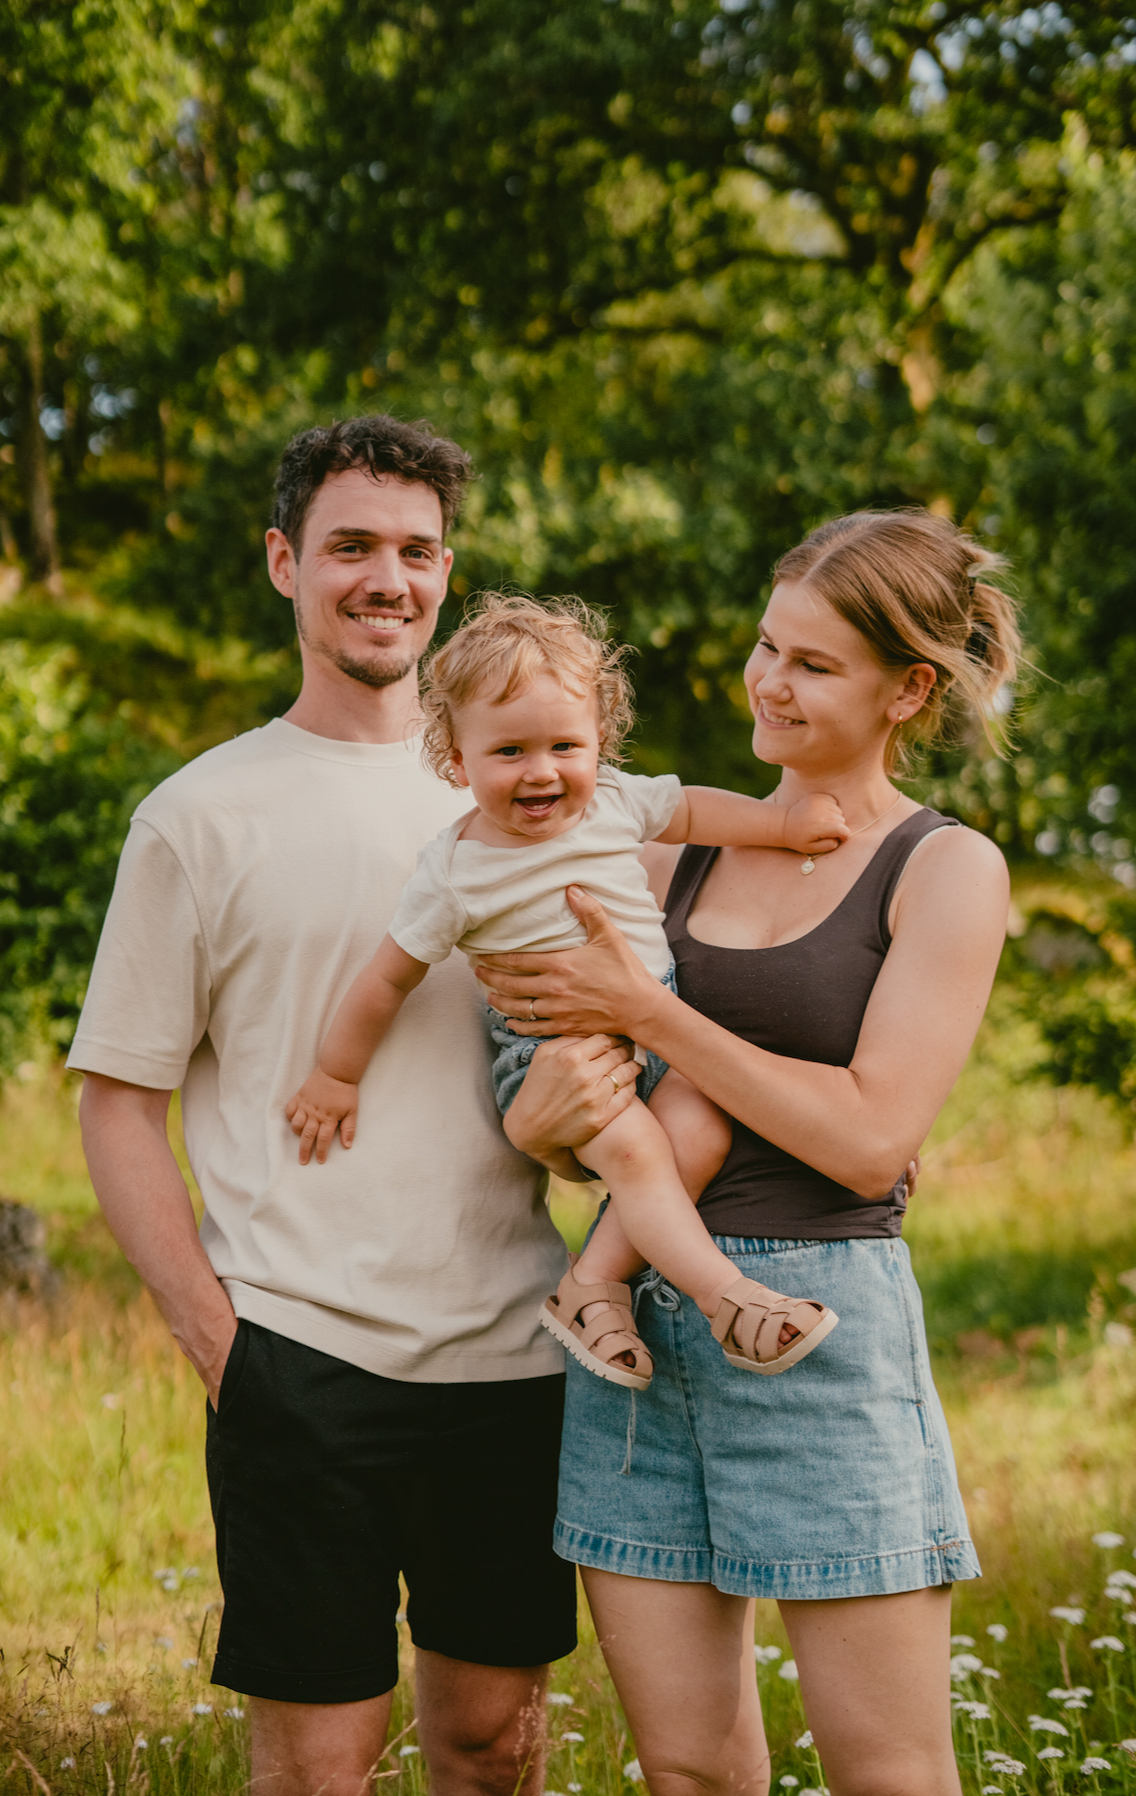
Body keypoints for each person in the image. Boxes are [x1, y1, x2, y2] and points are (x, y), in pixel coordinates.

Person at [66, 414, 626, 1796]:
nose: (389, 578)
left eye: (418, 551)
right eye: (352, 547)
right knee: (317, 1765)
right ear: (284, 562)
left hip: (511, 1356)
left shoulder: (530, 785)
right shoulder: (199, 816)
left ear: (449, 571)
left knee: (492, 1748)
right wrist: (221, 1344)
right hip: (299, 1359)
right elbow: (117, 1105)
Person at [476, 510, 1018, 1796]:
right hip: (624, 1338)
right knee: (689, 1768)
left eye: (814, 663)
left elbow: (870, 1132)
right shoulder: (657, 849)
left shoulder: (940, 868)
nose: (767, 682)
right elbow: (574, 1113)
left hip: (816, 1321)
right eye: (765, 646)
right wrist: (545, 1113)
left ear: (909, 688)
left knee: (885, 1771)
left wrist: (657, 1014)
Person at [285, 592, 847, 1391]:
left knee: (701, 1132)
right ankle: (729, 1301)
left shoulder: (614, 800)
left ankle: (590, 1287)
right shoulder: (455, 874)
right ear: (456, 759)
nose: (542, 771)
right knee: (641, 1152)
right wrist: (336, 1074)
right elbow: (385, 979)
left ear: (599, 742)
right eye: (509, 751)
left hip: (654, 1022)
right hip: (551, 1046)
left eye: (564, 746)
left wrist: (782, 827)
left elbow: (690, 810)